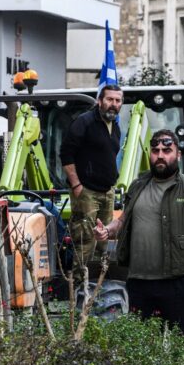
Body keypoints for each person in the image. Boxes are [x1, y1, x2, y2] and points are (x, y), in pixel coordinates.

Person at [96, 130, 184, 347]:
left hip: (179, 283)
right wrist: (107, 230)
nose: (160, 155)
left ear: (178, 154)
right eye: (155, 150)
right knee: (142, 352)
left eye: (167, 150)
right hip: (140, 284)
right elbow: (123, 221)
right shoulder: (138, 186)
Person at [59, 85, 123, 274]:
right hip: (86, 191)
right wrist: (76, 185)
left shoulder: (115, 127)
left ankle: (98, 282)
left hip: (107, 191)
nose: (113, 104)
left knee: (104, 240)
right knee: (85, 241)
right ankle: (79, 284)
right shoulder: (84, 122)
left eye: (118, 100)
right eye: (110, 99)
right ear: (99, 101)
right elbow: (66, 154)